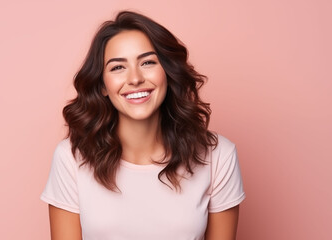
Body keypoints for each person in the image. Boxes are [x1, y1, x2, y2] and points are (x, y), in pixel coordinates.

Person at [40, 10, 245, 240]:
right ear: (102, 86)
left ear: (167, 72)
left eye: (147, 62)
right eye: (118, 67)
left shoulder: (218, 156)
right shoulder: (70, 157)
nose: (135, 78)